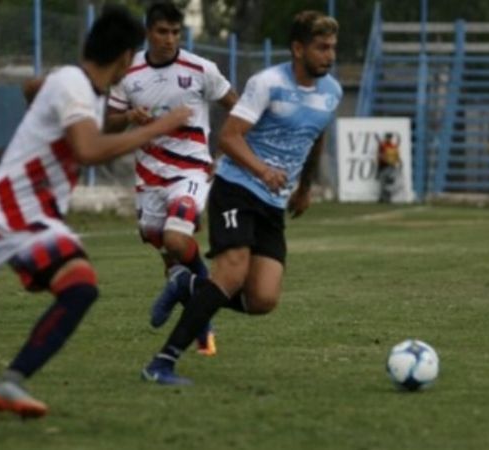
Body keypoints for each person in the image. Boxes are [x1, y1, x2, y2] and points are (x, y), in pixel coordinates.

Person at [0, 5, 192, 418]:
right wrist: (156, 128)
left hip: (32, 219)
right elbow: (86, 149)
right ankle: (9, 382)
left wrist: (44, 95)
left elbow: (35, 90)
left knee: (80, 286)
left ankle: (10, 383)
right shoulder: (73, 84)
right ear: (125, 57)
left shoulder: (76, 86)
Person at [140, 10, 341, 385]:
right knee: (231, 273)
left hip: (274, 202)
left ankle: (186, 286)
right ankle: (161, 363)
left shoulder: (332, 92)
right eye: (322, 48)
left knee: (262, 299)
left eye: (333, 48)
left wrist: (305, 187)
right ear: (298, 49)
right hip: (237, 187)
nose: (329, 56)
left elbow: (316, 136)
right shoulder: (267, 83)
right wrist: (263, 170)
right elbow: (229, 138)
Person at [105, 1, 238, 356]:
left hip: (192, 170)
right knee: (168, 256)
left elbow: (238, 108)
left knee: (177, 241)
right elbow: (109, 121)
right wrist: (130, 115)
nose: (169, 39)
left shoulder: (200, 68)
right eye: (162, 32)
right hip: (149, 177)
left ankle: (200, 319)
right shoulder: (127, 72)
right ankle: (200, 320)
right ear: (148, 32)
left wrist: (226, 154)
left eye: (176, 32)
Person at [376, 132, 401, 203]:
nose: (388, 139)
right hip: (384, 166)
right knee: (383, 183)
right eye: (387, 137)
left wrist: (396, 163)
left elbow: (397, 156)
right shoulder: (382, 146)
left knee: (388, 183)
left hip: (391, 167)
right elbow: (380, 156)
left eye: (389, 137)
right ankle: (382, 198)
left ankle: (387, 198)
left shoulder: (393, 146)